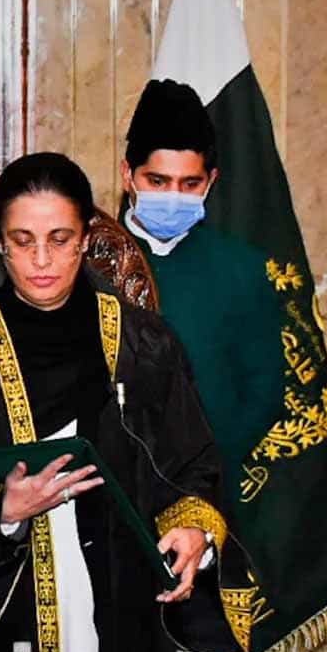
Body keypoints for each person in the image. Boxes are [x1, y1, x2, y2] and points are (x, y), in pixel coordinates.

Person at [0, 152, 257, 652]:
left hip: (130, 601)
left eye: (59, 239)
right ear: (0, 244)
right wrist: (2, 512)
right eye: (23, 241)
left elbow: (194, 463)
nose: (41, 260)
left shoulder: (143, 345)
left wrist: (193, 529)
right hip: (5, 613)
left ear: (85, 240)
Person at [119, 79, 285, 509]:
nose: (172, 197)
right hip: (104, 493)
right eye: (157, 180)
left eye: (189, 183)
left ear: (211, 181)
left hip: (207, 493)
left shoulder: (242, 269)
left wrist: (203, 471)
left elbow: (263, 392)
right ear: (127, 175)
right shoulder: (89, 261)